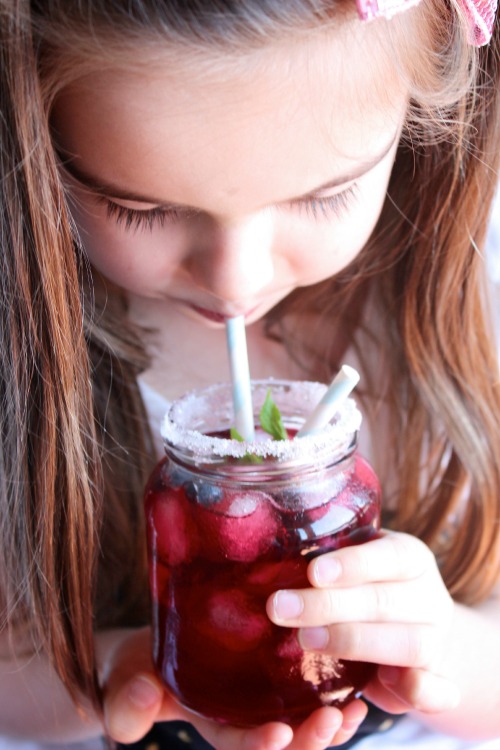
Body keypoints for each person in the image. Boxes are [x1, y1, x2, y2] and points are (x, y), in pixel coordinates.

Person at [0, 0, 500, 749]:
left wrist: (442, 649)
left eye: (324, 193)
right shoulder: (25, 360)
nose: (235, 280)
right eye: (141, 207)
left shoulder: (478, 305)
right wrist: (116, 671)